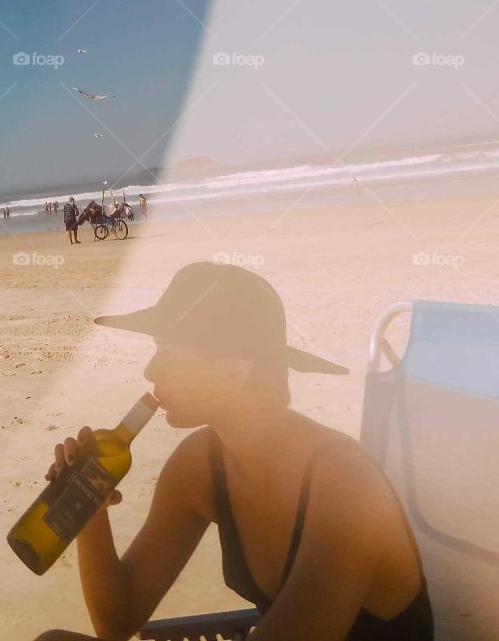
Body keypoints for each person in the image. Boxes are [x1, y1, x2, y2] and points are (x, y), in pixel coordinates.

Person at [32, 262, 433, 641]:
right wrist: (89, 509)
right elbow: (117, 620)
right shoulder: (201, 465)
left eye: (170, 351)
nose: (151, 370)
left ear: (236, 368)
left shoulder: (345, 485)